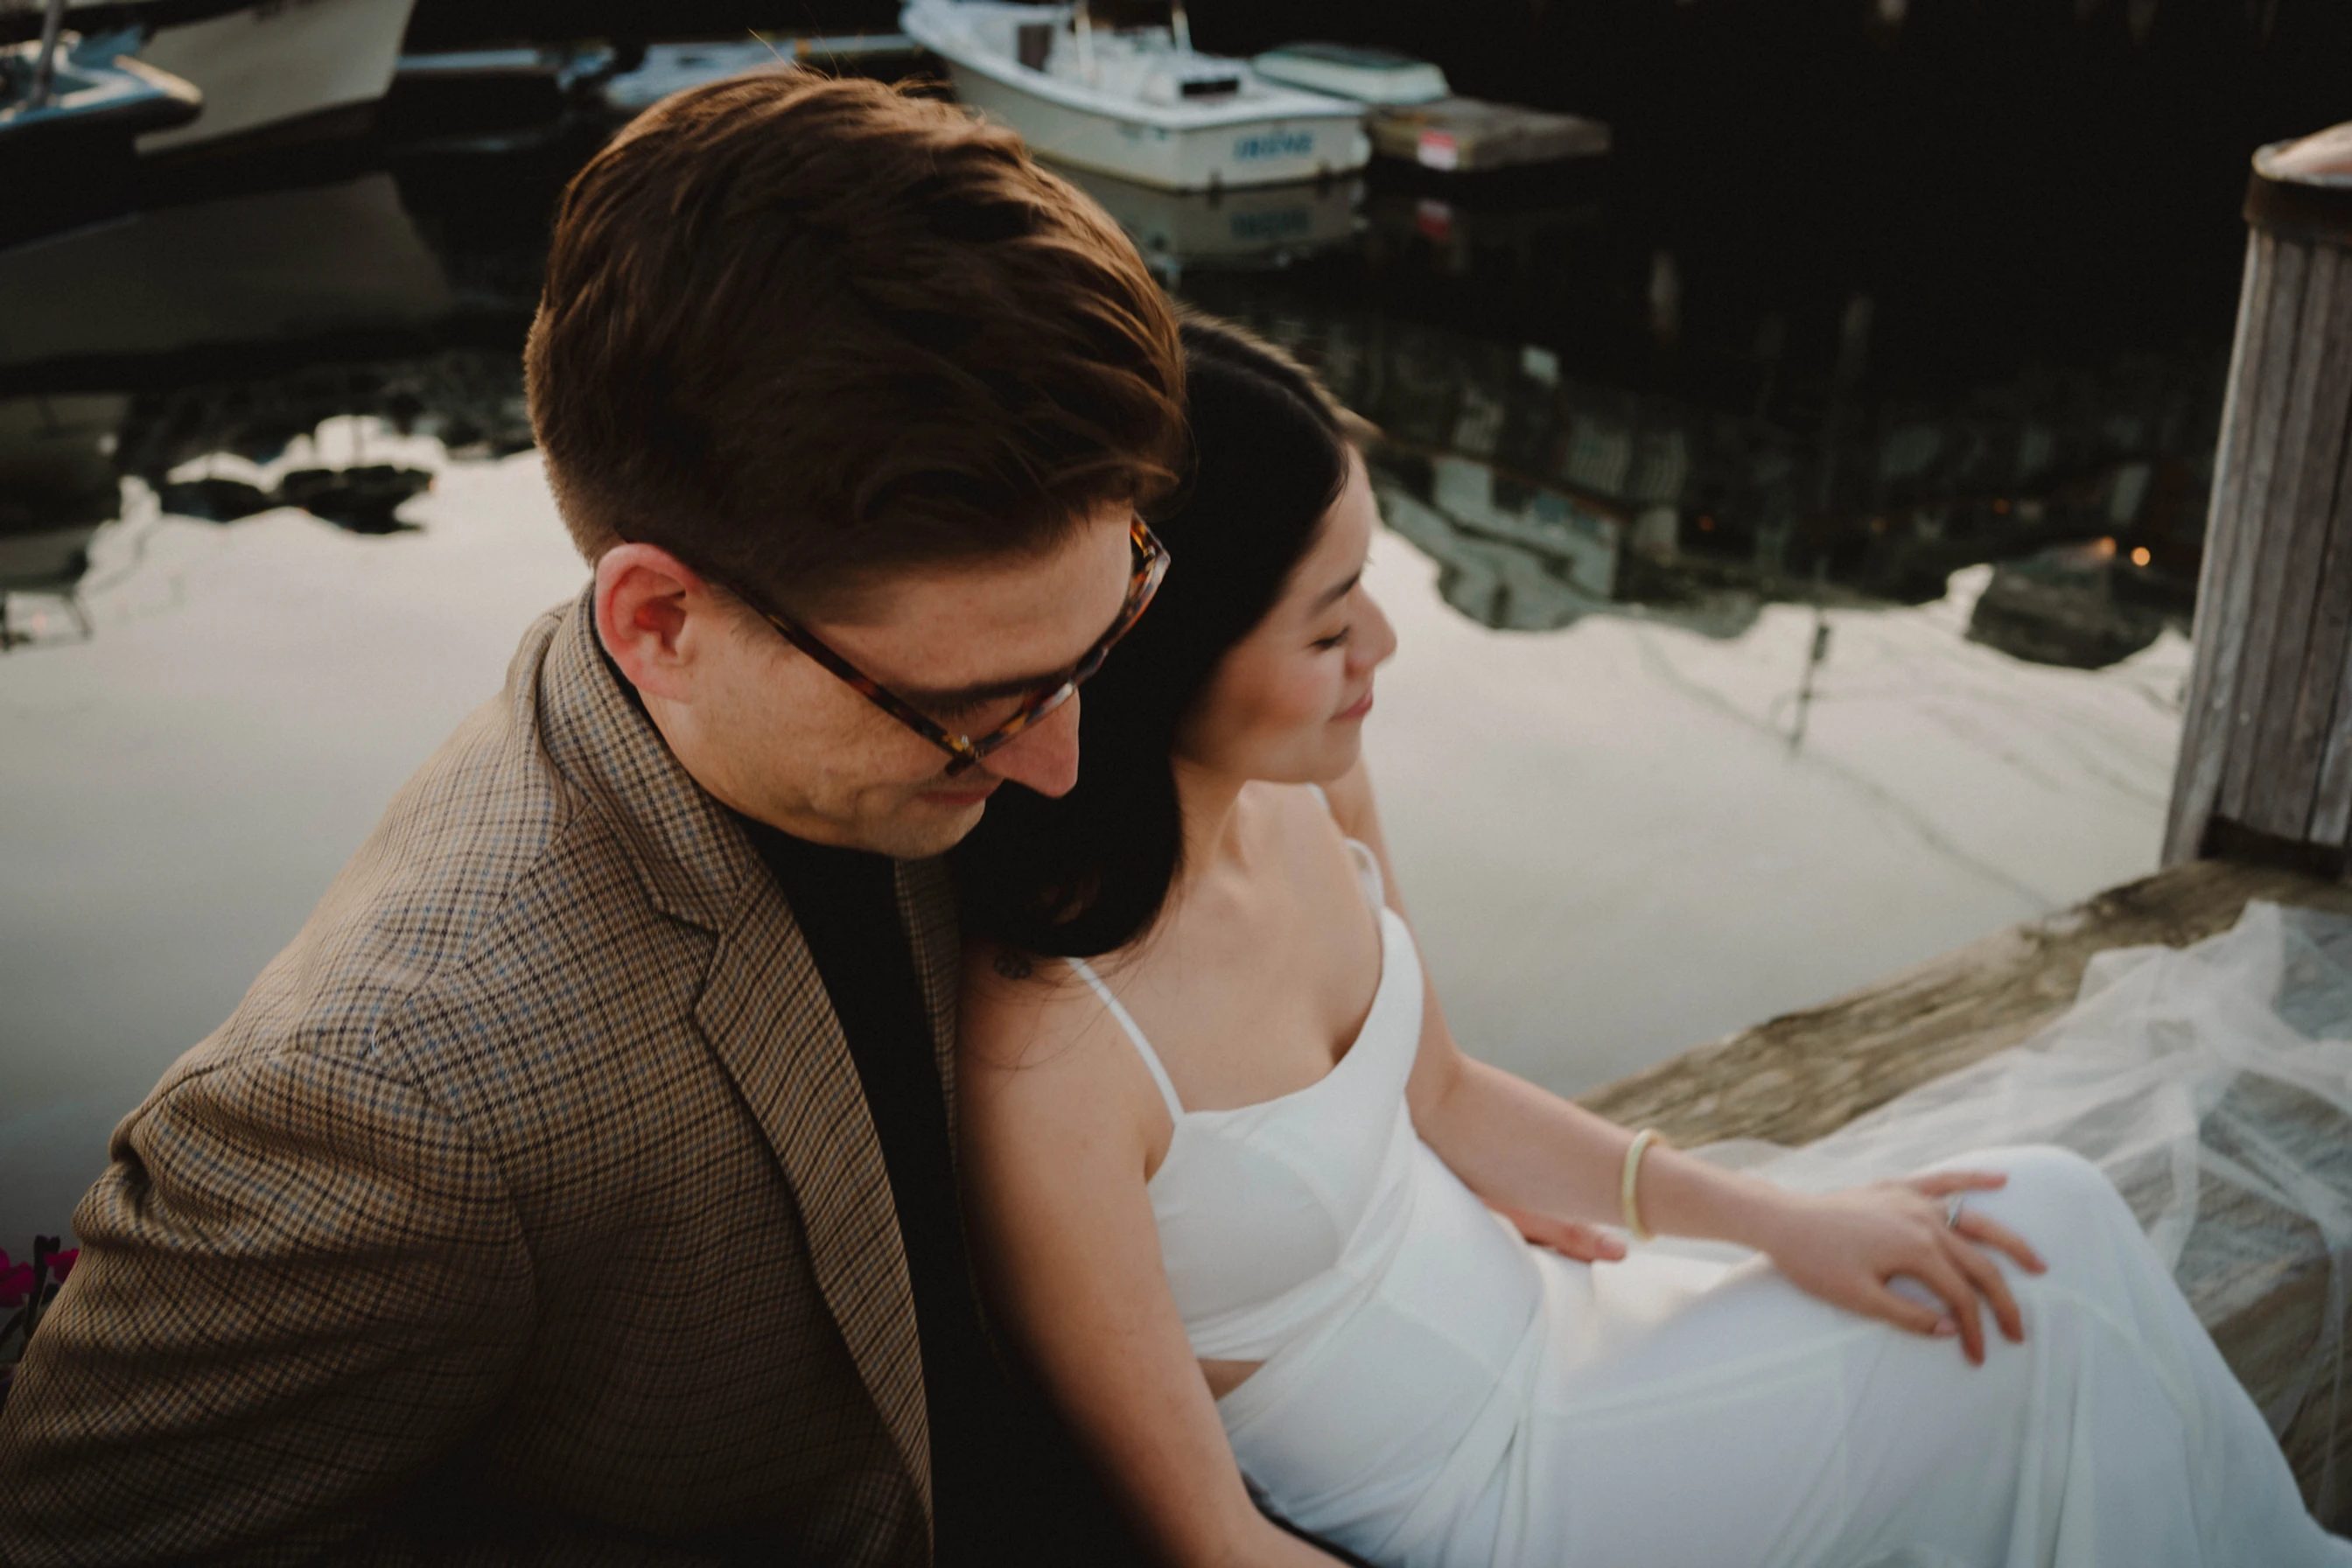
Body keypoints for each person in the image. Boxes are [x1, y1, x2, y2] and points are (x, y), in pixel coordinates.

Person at [0, 74, 1184, 1565]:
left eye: (1111, 615)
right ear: (662, 623)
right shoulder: (395, 1105)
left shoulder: (906, 626)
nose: (1060, 760)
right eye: (977, 708)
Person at [948, 314, 2352, 1568]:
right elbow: (1205, 1536)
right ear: (1176, 652)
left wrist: (1783, 1220)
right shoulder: (1056, 1055)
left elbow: (1442, 1093)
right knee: (2042, 1262)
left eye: (1370, 584)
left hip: (1576, 1333)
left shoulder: (1312, 799)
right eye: (1329, 626)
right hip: (1510, 1501)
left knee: (2026, 1236)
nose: (1384, 644)